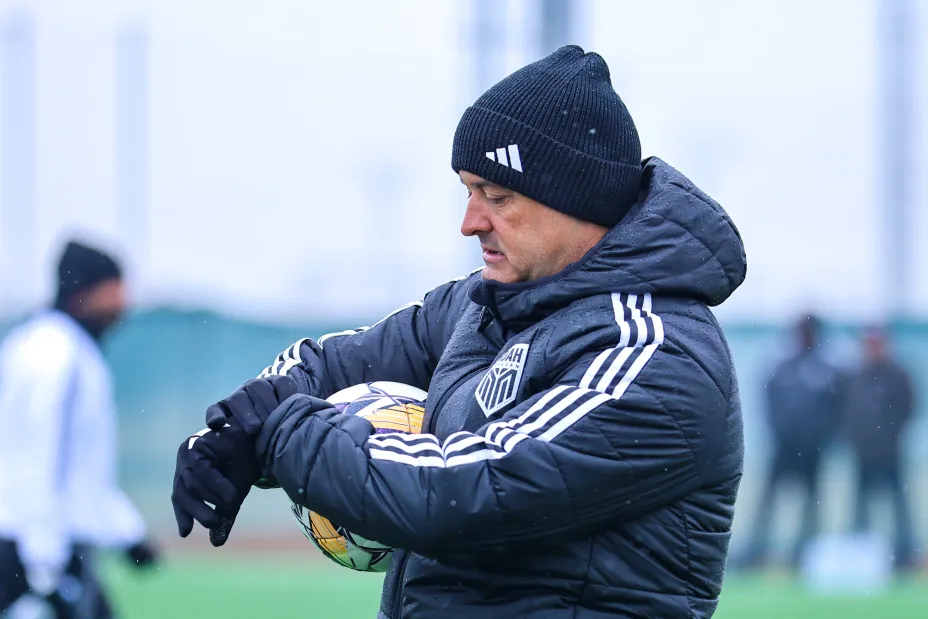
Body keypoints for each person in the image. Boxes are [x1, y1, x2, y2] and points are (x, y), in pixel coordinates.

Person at [172, 45, 747, 618]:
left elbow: (463, 491)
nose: (470, 223)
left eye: (497, 197)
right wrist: (239, 426)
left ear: (578, 201)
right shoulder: (484, 305)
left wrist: (282, 432)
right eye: (468, 192)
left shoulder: (653, 353)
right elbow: (330, 364)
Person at [0, 240, 158, 619]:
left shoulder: (45, 345)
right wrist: (44, 564)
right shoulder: (57, 355)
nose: (123, 306)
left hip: (44, 542)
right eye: (114, 292)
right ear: (84, 291)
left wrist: (127, 532)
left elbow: (83, 469)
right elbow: (38, 457)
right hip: (35, 546)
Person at [738, 313, 844, 570]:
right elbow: (769, 401)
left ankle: (805, 554)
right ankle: (756, 552)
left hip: (813, 450)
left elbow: (836, 410)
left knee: (811, 506)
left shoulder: (827, 370)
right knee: (768, 503)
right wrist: (780, 431)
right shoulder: (783, 367)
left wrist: (821, 438)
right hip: (783, 447)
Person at [844, 326, 918, 570]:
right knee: (860, 506)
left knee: (899, 505)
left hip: (890, 452)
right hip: (863, 453)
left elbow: (907, 410)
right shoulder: (856, 376)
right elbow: (846, 413)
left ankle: (905, 554)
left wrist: (888, 436)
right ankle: (860, 551)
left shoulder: (897, 376)